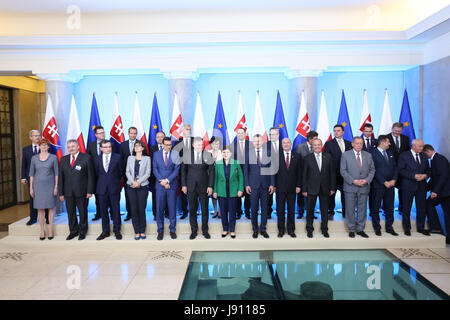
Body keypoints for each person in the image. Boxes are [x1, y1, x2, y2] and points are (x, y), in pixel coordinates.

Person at [59, 139, 95, 240]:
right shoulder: (63, 159)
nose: (71, 148)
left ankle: (82, 231)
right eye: (69, 147)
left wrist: (89, 191)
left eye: (73, 146)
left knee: (83, 212)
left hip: (82, 191)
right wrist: (61, 193)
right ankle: (73, 231)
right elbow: (61, 177)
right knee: (70, 213)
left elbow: (91, 176)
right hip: (68, 192)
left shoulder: (86, 158)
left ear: (78, 147)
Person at [340, 136, 375, 238]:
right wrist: (353, 181)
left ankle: (360, 229)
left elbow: (372, 170)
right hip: (350, 186)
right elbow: (343, 171)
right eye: (357, 143)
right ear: (352, 144)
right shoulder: (345, 155)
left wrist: (366, 180)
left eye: (361, 143)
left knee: (362, 209)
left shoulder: (368, 155)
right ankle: (351, 229)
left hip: (364, 186)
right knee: (350, 209)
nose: (359, 145)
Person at [181, 137, 215, 240]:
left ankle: (205, 230)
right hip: (190, 186)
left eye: (201, 145)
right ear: (193, 145)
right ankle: (194, 230)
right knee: (192, 209)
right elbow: (183, 172)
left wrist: (210, 186)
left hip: (204, 187)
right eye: (198, 145)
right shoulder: (186, 155)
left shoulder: (208, 155)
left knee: (205, 210)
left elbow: (212, 172)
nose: (200, 147)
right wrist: (184, 185)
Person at [302, 139, 336, 238]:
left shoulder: (328, 157)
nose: (317, 146)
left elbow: (332, 174)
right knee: (310, 210)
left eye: (319, 145)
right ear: (312, 146)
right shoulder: (307, 158)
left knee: (325, 210)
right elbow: (304, 175)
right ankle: (309, 229)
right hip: (311, 188)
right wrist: (304, 189)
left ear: (321, 145)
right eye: (315, 145)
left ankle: (324, 229)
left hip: (325, 188)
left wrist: (333, 188)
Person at [397, 139, 431, 236]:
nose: (422, 148)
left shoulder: (424, 156)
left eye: (422, 146)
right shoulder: (404, 155)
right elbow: (401, 170)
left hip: (422, 186)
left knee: (421, 208)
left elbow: (428, 170)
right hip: (408, 185)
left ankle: (421, 227)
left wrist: (425, 176)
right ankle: (407, 228)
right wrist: (413, 176)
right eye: (420, 146)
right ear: (413, 146)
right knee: (406, 208)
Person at [244, 134, 275, 239]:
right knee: (254, 208)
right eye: (255, 141)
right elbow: (246, 171)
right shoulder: (248, 153)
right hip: (253, 185)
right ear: (253, 142)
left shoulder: (269, 153)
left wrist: (272, 184)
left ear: (263, 141)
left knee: (265, 208)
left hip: (266, 185)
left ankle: (263, 229)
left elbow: (272, 169)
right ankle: (255, 230)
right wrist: (247, 184)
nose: (257, 143)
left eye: (259, 141)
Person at [369, 135, 399, 236]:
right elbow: (373, 170)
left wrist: (394, 180)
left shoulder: (390, 153)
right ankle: (377, 227)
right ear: (382, 143)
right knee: (375, 207)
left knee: (390, 207)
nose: (390, 144)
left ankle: (389, 227)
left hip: (391, 185)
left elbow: (395, 168)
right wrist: (384, 182)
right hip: (378, 185)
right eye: (388, 142)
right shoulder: (372, 154)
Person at [29, 138, 58, 240]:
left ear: (48, 146)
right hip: (38, 187)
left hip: (50, 186)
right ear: (39, 146)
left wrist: (56, 186)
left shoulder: (53, 157)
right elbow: (31, 174)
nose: (44, 146)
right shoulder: (34, 158)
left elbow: (56, 173)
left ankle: (50, 230)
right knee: (40, 209)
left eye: (45, 145)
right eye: (42, 145)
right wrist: (31, 188)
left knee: (50, 208)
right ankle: (42, 231)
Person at [94, 140, 123, 240]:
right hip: (101, 189)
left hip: (114, 187)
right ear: (101, 148)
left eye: (109, 147)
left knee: (115, 209)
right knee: (103, 211)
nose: (108, 149)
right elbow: (96, 174)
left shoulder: (118, 157)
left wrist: (112, 181)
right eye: (105, 147)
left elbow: (120, 173)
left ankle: (117, 231)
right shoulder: (96, 159)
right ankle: (105, 231)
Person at [213, 146, 244, 238]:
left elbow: (241, 177)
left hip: (233, 191)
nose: (225, 154)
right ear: (222, 153)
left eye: (227, 152)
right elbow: (215, 178)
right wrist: (215, 191)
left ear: (230, 154)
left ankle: (232, 230)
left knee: (232, 211)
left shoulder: (236, 163)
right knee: (223, 211)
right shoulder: (218, 164)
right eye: (224, 152)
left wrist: (240, 189)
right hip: (221, 191)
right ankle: (225, 229)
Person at [153, 137, 181, 240]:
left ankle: (172, 230)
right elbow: (155, 169)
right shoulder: (156, 154)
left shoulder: (175, 154)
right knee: (159, 209)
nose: (168, 147)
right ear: (163, 145)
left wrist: (168, 181)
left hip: (172, 186)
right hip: (160, 186)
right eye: (167, 145)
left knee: (172, 209)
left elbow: (176, 170)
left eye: (170, 145)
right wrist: (163, 181)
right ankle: (160, 231)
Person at [324, 124, 352, 219]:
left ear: (343, 132)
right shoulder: (329, 143)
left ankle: (345, 212)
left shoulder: (349, 143)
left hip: (346, 174)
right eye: (335, 130)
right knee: (331, 194)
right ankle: (331, 212)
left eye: (338, 130)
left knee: (346, 194)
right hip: (333, 174)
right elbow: (326, 159)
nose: (336, 132)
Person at [423, 144, 450, 244]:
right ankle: (444, 234)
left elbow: (443, 176)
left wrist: (435, 191)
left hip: (444, 192)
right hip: (443, 191)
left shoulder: (439, 159)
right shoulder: (436, 159)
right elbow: (435, 178)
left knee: (428, 204)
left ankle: (436, 228)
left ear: (427, 152)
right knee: (447, 215)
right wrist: (425, 189)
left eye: (424, 154)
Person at [21, 130, 49, 225]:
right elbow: (24, 164)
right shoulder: (26, 150)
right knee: (33, 197)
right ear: (30, 137)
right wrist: (23, 177)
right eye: (35, 135)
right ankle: (33, 218)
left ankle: (47, 217)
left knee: (45, 196)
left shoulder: (45, 147)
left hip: (45, 177)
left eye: (39, 135)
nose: (37, 137)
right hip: (31, 178)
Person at [275, 138, 302, 238]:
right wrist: (273, 186)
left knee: (291, 210)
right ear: (281, 144)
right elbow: (273, 173)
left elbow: (300, 172)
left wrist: (299, 185)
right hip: (280, 188)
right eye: (284, 143)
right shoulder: (276, 156)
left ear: (291, 144)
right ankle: (281, 230)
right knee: (280, 210)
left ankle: (291, 230)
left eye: (287, 143)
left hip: (292, 188)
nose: (286, 144)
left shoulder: (297, 156)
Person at [126, 140, 151, 240]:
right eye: (135, 146)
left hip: (143, 186)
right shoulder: (130, 158)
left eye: (139, 146)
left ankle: (142, 230)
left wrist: (138, 182)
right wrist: (133, 182)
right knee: (134, 209)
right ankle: (136, 231)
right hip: (131, 186)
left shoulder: (147, 159)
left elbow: (148, 173)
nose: (136, 147)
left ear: (143, 148)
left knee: (141, 208)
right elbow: (127, 171)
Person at [295, 130, 318, 219]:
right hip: (302, 175)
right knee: (300, 195)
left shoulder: (317, 147)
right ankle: (300, 212)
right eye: (315, 139)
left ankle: (311, 213)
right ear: (310, 139)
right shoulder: (300, 147)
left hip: (314, 176)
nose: (317, 141)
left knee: (312, 195)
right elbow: (297, 162)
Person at [387, 122, 410, 213]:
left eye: (399, 131)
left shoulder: (405, 138)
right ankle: (386, 209)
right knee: (388, 190)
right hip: (389, 167)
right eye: (395, 130)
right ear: (392, 129)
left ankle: (401, 208)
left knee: (402, 189)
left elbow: (408, 152)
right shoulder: (386, 137)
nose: (397, 132)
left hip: (402, 168)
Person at [120, 127, 138, 222]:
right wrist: (122, 175)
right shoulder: (123, 145)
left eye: (135, 133)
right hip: (126, 175)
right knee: (128, 195)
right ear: (128, 133)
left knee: (137, 195)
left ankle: (137, 213)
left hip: (138, 175)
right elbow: (121, 160)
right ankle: (129, 213)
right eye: (131, 133)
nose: (133, 135)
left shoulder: (141, 144)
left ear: (136, 134)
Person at [174, 124, 192, 219]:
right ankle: (184, 211)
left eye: (189, 129)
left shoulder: (195, 140)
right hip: (182, 172)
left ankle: (194, 211)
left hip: (194, 171)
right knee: (183, 192)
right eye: (186, 129)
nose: (188, 131)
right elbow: (175, 157)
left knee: (194, 192)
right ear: (182, 131)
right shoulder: (177, 142)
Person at [87, 126, 105, 221]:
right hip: (95, 175)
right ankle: (99, 213)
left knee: (108, 195)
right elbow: (88, 159)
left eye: (103, 132)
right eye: (100, 133)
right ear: (96, 135)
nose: (102, 134)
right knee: (98, 196)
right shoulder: (91, 145)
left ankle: (109, 213)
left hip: (106, 175)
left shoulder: (110, 144)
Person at [233, 127, 251, 219]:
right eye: (238, 133)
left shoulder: (250, 144)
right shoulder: (233, 145)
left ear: (245, 134)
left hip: (249, 173)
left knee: (248, 193)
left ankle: (248, 212)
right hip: (237, 173)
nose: (240, 134)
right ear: (237, 134)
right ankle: (238, 212)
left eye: (241, 133)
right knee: (238, 193)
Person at [148, 131, 166, 219]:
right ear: (155, 139)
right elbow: (151, 163)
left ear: (164, 138)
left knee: (167, 195)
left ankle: (167, 213)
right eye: (158, 137)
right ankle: (156, 214)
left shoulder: (169, 148)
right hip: (155, 177)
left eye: (162, 137)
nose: (160, 138)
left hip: (167, 177)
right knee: (156, 196)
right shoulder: (152, 148)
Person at [267, 127, 282, 219]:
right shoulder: (265, 145)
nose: (271, 136)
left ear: (278, 135)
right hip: (269, 175)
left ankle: (280, 212)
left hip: (281, 175)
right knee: (269, 195)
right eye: (270, 134)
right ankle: (268, 212)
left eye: (273, 134)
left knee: (280, 195)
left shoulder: (283, 144)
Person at [208, 136, 223, 219]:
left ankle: (220, 211)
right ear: (211, 144)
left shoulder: (222, 153)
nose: (215, 146)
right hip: (210, 177)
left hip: (220, 176)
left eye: (217, 144)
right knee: (213, 194)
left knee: (220, 193)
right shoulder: (207, 153)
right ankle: (215, 211)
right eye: (214, 144)